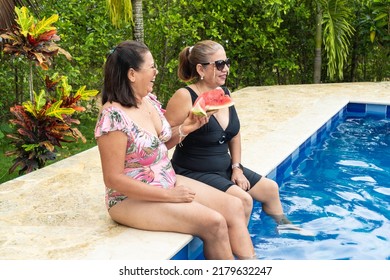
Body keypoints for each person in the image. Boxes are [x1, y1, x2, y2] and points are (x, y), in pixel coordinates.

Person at [94, 40, 256, 260]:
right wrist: (167, 195)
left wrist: (186, 128)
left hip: (167, 180)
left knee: (235, 206)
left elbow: (162, 145)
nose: (156, 71)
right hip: (128, 198)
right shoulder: (113, 116)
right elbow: (113, 179)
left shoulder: (147, 101)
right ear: (132, 74)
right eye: (151, 67)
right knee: (214, 223)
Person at [164, 40, 293, 227]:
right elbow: (165, 141)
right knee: (244, 200)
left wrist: (237, 167)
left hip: (224, 167)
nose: (226, 69)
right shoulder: (184, 96)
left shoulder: (224, 92)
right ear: (201, 69)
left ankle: (286, 229)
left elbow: (235, 134)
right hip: (194, 170)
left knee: (270, 189)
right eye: (219, 64)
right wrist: (187, 126)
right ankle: (241, 248)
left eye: (227, 62)